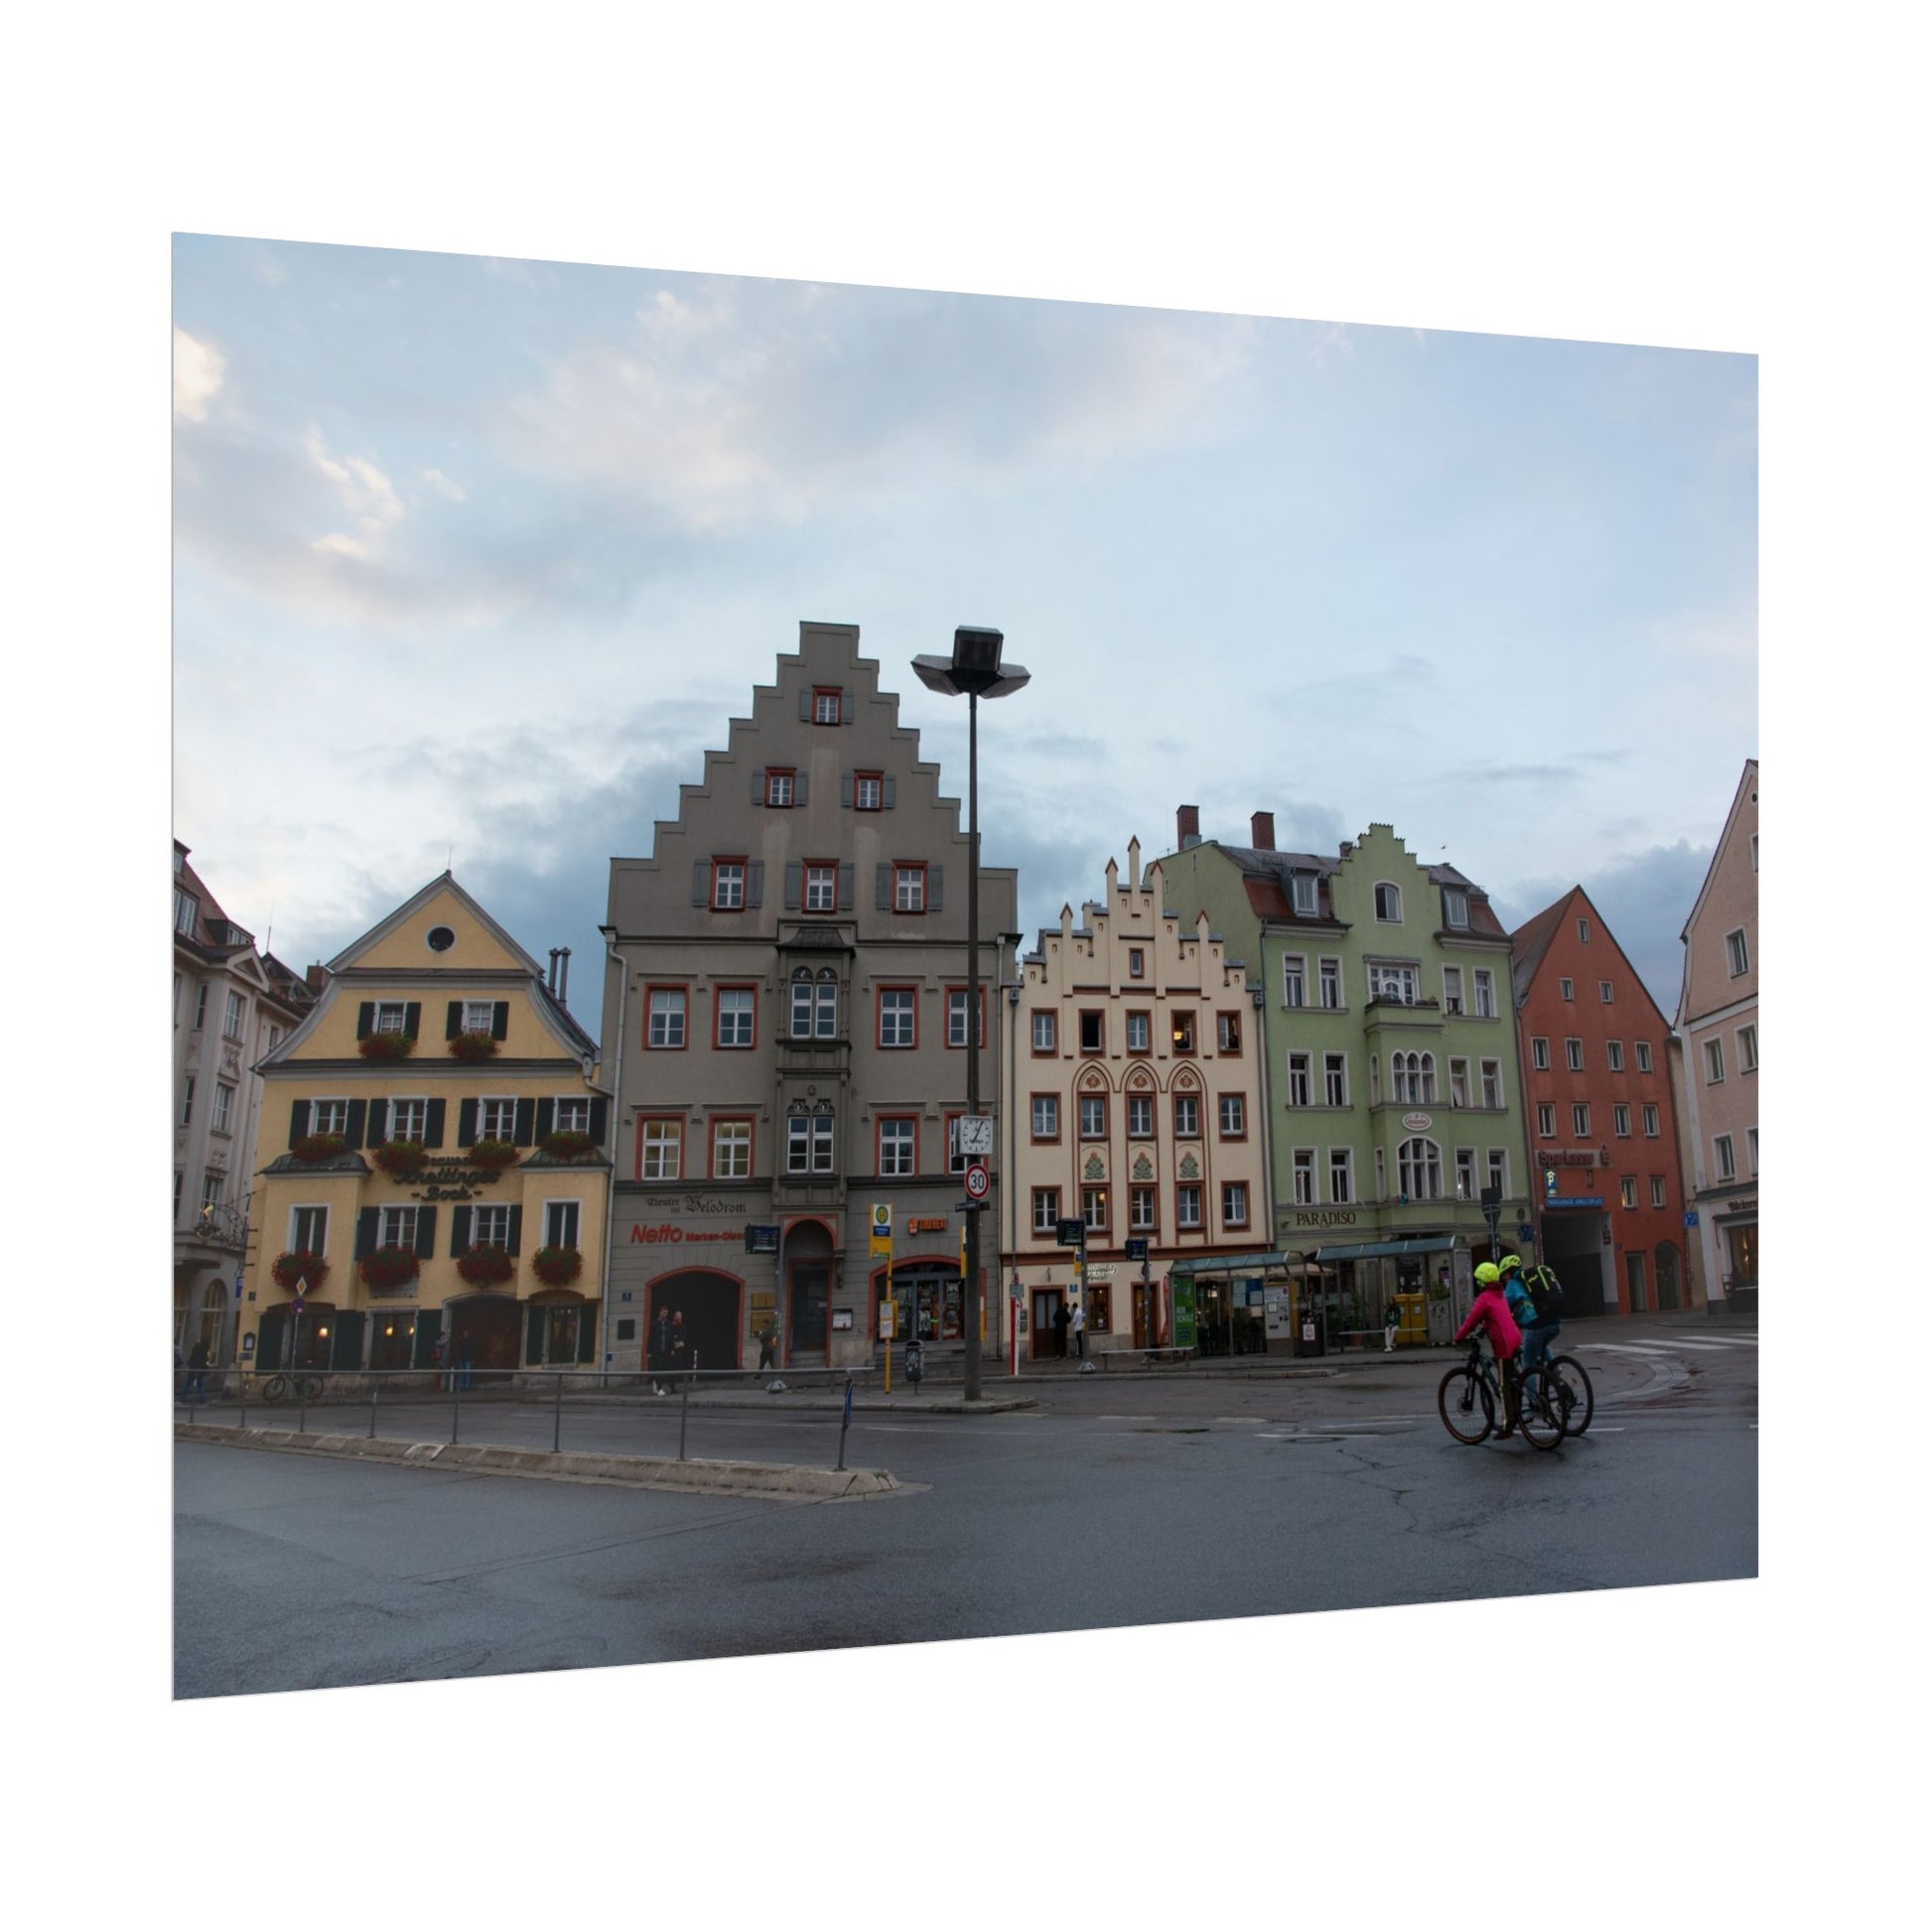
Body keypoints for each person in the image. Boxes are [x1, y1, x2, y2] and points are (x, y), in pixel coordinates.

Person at [1453, 1261, 1524, 1436]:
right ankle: (1517, 1409)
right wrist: (1484, 1328)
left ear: (1482, 1281)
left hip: (1504, 1344)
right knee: (1514, 1379)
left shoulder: (1484, 1298)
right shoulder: (1500, 1294)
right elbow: (1494, 1316)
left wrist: (1459, 1337)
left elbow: (1471, 1321)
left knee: (1503, 1385)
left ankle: (1508, 1425)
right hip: (1515, 1338)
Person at [649, 1305, 675, 1395]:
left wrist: (672, 1349)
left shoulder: (669, 1324)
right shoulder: (655, 1324)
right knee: (659, 1368)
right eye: (663, 1313)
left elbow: (671, 1337)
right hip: (657, 1350)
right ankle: (659, 1388)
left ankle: (670, 1387)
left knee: (667, 1369)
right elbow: (651, 1338)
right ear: (660, 1313)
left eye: (666, 1313)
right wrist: (649, 1351)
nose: (665, 1315)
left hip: (666, 1350)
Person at [184, 1337, 210, 1405]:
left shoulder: (196, 1348)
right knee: (200, 1384)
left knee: (187, 1384)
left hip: (193, 1368)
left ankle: (182, 1398)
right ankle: (203, 1399)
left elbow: (192, 1358)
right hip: (201, 1369)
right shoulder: (205, 1349)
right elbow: (206, 1359)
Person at [1070, 1297, 1088, 1361]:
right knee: (1081, 1341)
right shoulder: (1081, 1311)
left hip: (1077, 1329)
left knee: (1078, 1342)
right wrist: (1083, 1328)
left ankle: (1079, 1354)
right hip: (1082, 1328)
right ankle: (1082, 1353)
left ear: (1074, 1307)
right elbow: (1084, 1319)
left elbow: (1074, 1321)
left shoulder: (1076, 1312)